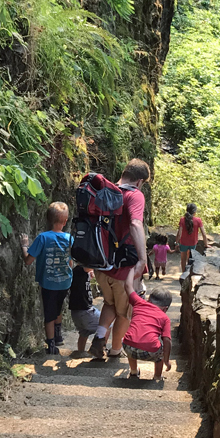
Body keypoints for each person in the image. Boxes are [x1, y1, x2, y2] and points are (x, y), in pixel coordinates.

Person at [88, 158, 150, 362]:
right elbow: (134, 223)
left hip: (102, 265)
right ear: (140, 181)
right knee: (124, 312)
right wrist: (142, 259)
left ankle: (98, 340)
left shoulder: (106, 192)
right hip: (124, 269)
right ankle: (115, 350)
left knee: (109, 303)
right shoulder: (135, 195)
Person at [20, 202, 72, 354]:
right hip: (65, 282)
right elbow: (71, 261)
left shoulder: (42, 238)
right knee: (58, 307)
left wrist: (24, 246)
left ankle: (51, 345)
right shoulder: (69, 238)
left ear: (48, 219)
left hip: (49, 283)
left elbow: (28, 260)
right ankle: (58, 336)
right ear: (66, 220)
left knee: (49, 313)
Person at [122, 268, 172, 380]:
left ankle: (134, 372)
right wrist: (167, 360)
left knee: (132, 338)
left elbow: (127, 286)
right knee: (160, 355)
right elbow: (167, 340)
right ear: (165, 308)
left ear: (149, 300)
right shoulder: (165, 318)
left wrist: (130, 268)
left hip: (127, 347)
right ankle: (157, 377)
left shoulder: (139, 303)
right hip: (149, 351)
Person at [69, 264, 100, 354]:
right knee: (107, 325)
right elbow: (87, 267)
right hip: (85, 311)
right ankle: (99, 349)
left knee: (84, 332)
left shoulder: (81, 273)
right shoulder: (79, 270)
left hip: (76, 312)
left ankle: (80, 352)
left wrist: (90, 273)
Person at [176, 203, 208, 273]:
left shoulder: (182, 220)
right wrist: (206, 244)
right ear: (194, 212)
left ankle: (183, 273)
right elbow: (204, 234)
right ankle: (189, 273)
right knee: (190, 258)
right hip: (193, 243)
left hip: (183, 243)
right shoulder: (198, 220)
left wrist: (176, 242)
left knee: (183, 259)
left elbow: (179, 233)